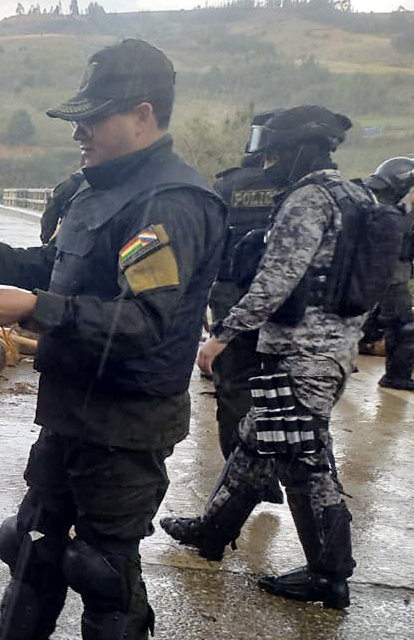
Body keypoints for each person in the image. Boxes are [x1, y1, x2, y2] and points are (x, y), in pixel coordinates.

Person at [0, 39, 225, 639]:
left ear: (142, 114)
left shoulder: (168, 206)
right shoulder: (98, 190)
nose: (79, 131)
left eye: (94, 116)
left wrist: (39, 309)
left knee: (102, 571)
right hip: (69, 412)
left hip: (126, 423)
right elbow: (53, 264)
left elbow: (145, 323)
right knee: (31, 549)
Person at [162, 105, 366, 610]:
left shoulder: (308, 200)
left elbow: (275, 281)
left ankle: (329, 574)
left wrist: (223, 334)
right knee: (257, 442)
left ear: (297, 149)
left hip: (300, 354)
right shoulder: (357, 196)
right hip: (331, 351)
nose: (268, 160)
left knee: (307, 463)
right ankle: (212, 533)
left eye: (275, 149)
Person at [207, 111, 282, 461]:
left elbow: (208, 247)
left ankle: (239, 470)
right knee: (283, 387)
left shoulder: (227, 186)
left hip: (230, 294)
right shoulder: (305, 188)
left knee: (235, 384)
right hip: (288, 299)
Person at [363, 156, 414, 390]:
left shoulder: (382, 201)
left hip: (388, 276)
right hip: (388, 277)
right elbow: (394, 237)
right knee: (405, 327)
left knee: (377, 323)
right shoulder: (387, 207)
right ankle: (397, 376)